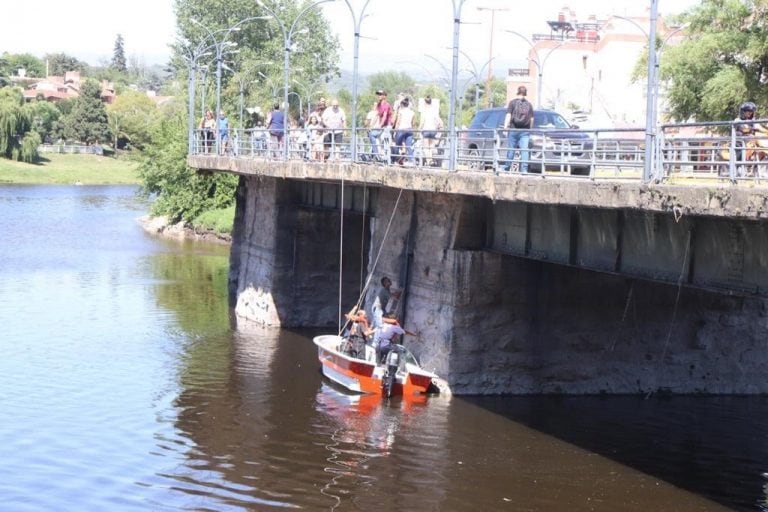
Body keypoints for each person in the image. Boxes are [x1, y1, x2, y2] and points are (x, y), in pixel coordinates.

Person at [503, 85, 534, 173]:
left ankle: (506, 168)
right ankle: (524, 170)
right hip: (525, 131)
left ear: (518, 92)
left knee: (511, 149)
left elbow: (508, 115)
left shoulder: (512, 103)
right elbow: (532, 119)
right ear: (525, 93)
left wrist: (505, 127)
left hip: (514, 129)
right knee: (524, 150)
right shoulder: (529, 105)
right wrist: (530, 129)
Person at [419, 95, 443, 167]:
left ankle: (429, 161)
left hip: (426, 130)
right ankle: (431, 159)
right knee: (431, 146)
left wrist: (419, 129)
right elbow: (438, 121)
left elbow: (422, 122)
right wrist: (438, 127)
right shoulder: (434, 110)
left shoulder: (424, 111)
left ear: (425, 103)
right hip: (433, 130)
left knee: (426, 147)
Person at [370, 90, 393, 162]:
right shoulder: (379, 105)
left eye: (381, 94)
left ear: (384, 96)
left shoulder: (387, 105)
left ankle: (387, 159)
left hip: (387, 126)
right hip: (382, 127)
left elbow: (385, 116)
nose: (379, 96)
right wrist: (371, 125)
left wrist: (380, 125)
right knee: (377, 139)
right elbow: (377, 116)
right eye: (378, 94)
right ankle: (379, 157)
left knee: (384, 141)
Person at [392, 97, 416, 166]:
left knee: (397, 144)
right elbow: (413, 123)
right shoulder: (412, 112)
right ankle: (411, 161)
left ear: (402, 104)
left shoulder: (401, 111)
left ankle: (396, 159)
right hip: (409, 129)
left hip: (401, 129)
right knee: (409, 146)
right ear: (408, 104)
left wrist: (395, 131)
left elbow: (398, 122)